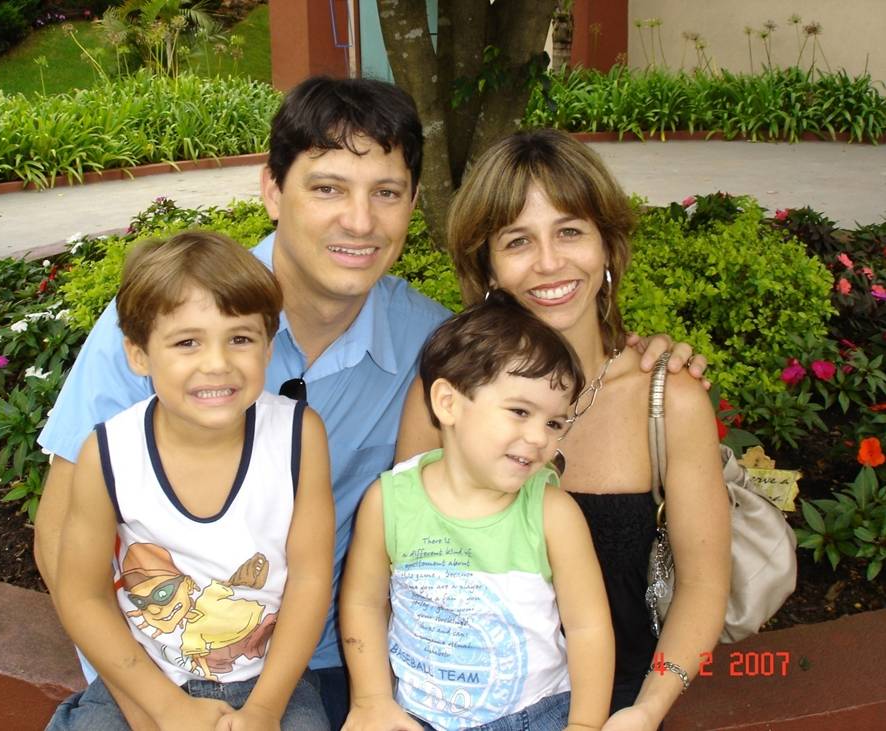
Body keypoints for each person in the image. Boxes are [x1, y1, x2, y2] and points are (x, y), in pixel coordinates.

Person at [34, 75, 705, 729]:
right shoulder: (167, 327)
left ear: (412, 204)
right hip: (158, 668)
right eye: (328, 188)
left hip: (331, 668)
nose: (359, 221)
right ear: (272, 190)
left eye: (386, 192)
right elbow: (62, 541)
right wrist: (155, 706)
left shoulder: (435, 350)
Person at [419, 128, 731, 731]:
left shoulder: (669, 400)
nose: (549, 262)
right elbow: (401, 561)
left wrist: (647, 710)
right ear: (488, 266)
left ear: (607, 245)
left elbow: (702, 587)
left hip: (620, 706)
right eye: (518, 240)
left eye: (570, 232)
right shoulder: (447, 395)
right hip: (463, 707)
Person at [47, 231, 334, 730]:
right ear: (138, 354)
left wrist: (265, 709)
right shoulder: (108, 453)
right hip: (146, 680)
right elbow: (82, 595)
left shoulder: (298, 436)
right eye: (187, 343)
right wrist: (166, 708)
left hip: (268, 680)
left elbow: (310, 580)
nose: (217, 364)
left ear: (269, 347)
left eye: (240, 338)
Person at [340, 290, 615, 731]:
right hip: (416, 717)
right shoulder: (390, 501)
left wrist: (584, 725)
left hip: (536, 716)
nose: (539, 437)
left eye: (553, 423)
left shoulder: (552, 514)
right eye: (520, 411)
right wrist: (371, 699)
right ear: (448, 403)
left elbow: (589, 629)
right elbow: (364, 602)